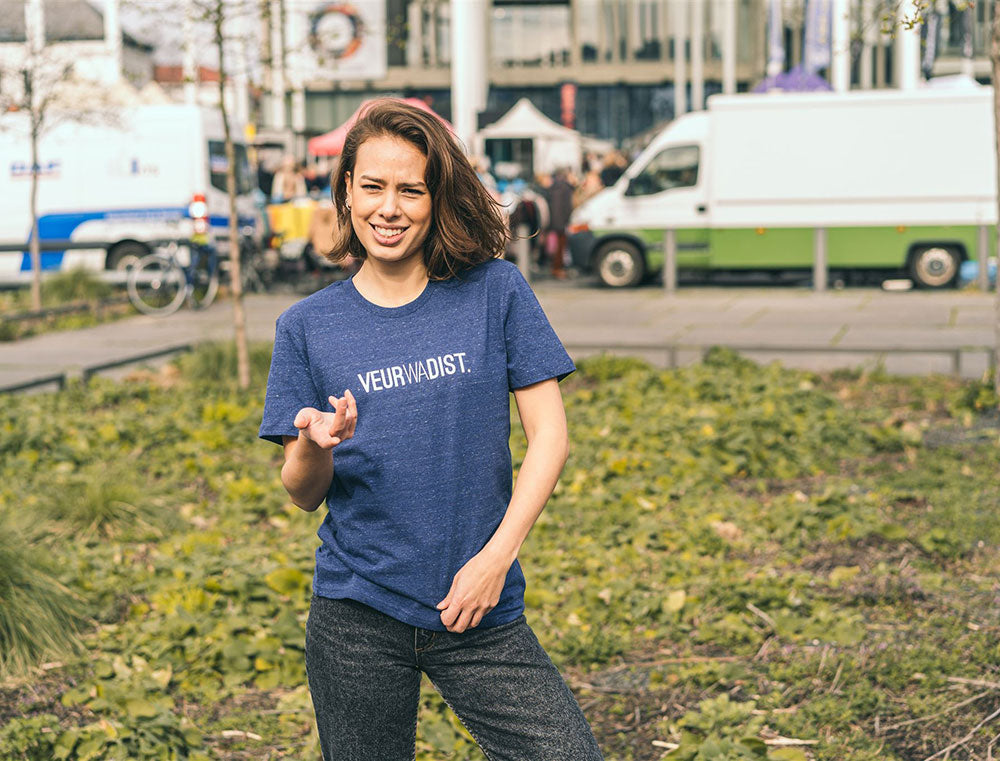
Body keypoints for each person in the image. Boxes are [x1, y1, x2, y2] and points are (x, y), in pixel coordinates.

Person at [258, 100, 604, 761]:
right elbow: (303, 492)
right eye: (373, 187)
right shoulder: (305, 326)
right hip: (357, 613)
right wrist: (313, 443)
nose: (389, 208)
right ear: (347, 192)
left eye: (409, 189)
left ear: (434, 195)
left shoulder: (495, 291)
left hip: (479, 605)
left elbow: (550, 437)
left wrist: (495, 559)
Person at [544, 168, 574, 280]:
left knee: (557, 247)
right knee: (560, 247)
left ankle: (556, 268)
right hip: (560, 223)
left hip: (556, 222)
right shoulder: (564, 188)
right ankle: (557, 269)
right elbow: (563, 207)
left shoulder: (556, 188)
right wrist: (562, 223)